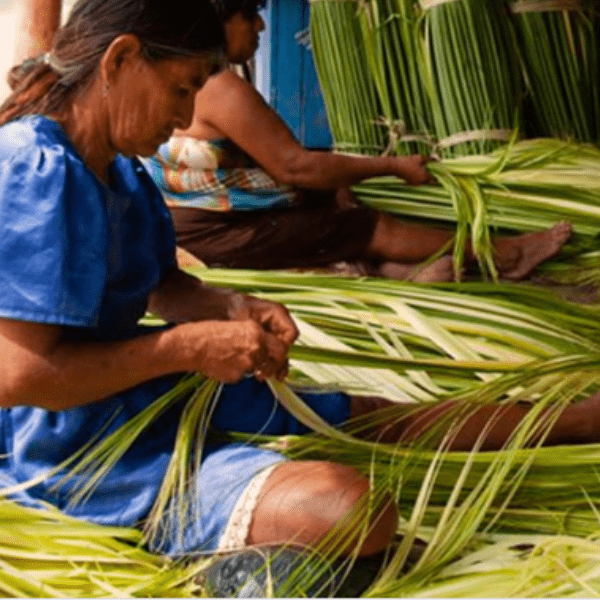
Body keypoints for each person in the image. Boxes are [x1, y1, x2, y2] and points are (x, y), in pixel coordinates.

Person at [2, 0, 600, 597]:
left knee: (360, 414)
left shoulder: (124, 174)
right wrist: (185, 348)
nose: (185, 115)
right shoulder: (36, 168)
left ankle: (575, 421)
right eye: (179, 89)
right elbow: (19, 374)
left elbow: (168, 285)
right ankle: (241, 569)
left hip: (143, 402)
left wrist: (233, 309)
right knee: (350, 509)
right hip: (71, 458)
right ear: (122, 60)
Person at [141, 0, 572, 282]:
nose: (258, 25)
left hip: (192, 228)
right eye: (248, 14)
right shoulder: (220, 89)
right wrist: (393, 166)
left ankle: (395, 272)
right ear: (220, 19)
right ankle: (502, 252)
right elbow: (295, 167)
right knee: (368, 224)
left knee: (335, 195)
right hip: (218, 235)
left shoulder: (185, 77)